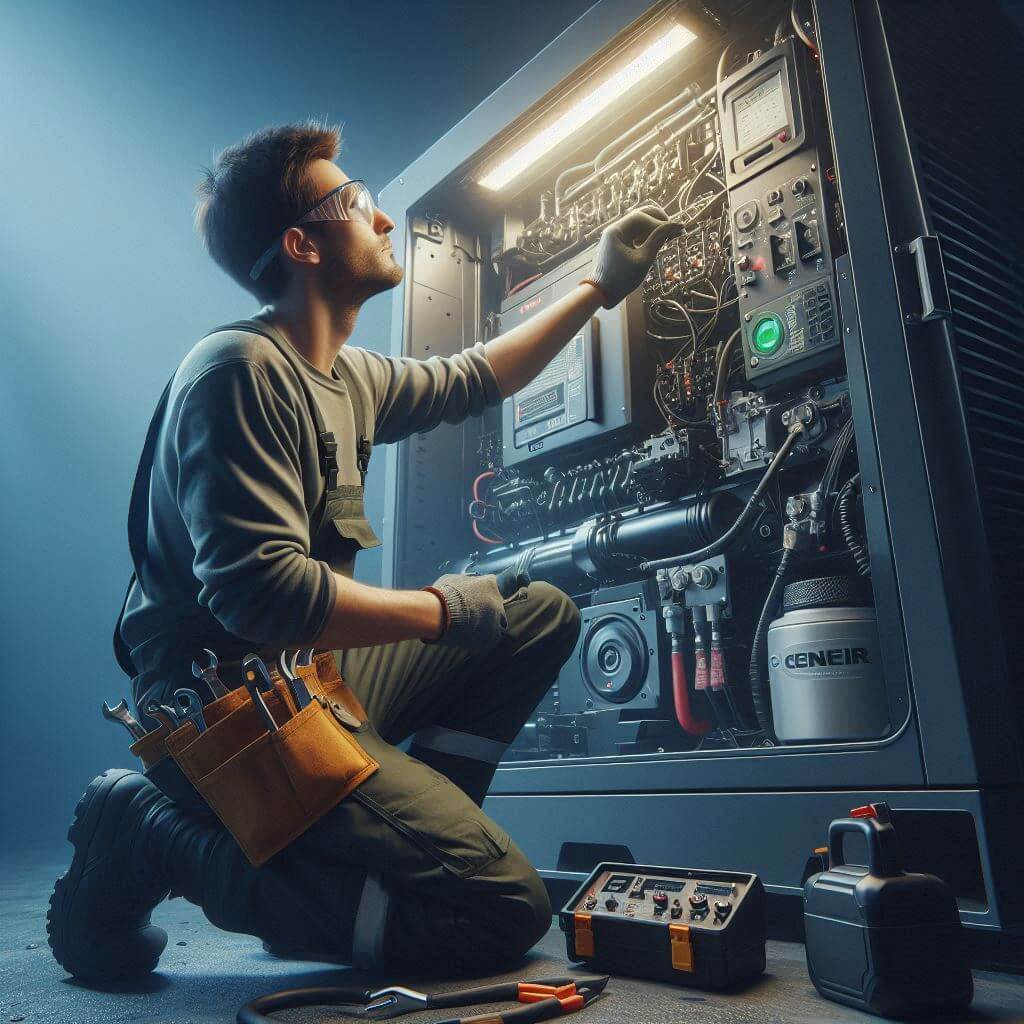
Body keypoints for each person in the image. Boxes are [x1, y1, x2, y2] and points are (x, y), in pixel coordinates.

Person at [47, 121, 681, 982]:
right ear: (301, 243)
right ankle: (149, 833)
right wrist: (443, 610)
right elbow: (259, 595)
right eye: (358, 203)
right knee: (500, 912)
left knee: (534, 616)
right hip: (225, 704)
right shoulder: (238, 371)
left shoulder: (349, 377)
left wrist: (599, 287)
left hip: (310, 677)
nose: (383, 222)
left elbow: (480, 374)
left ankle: (363, 863)